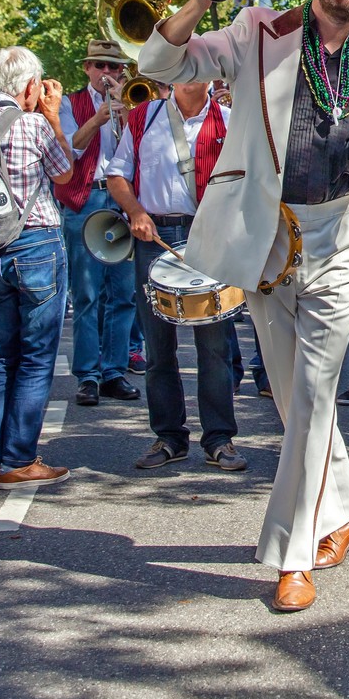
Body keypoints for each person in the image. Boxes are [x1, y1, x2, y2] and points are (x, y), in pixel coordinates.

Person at [139, 0, 349, 614]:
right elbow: (161, 67)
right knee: (292, 399)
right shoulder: (257, 30)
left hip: (344, 232)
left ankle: (293, 552)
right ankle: (345, 506)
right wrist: (195, 2)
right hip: (268, 234)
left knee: (317, 392)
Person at [106, 77, 246, 473]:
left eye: (199, 66)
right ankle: (168, 436)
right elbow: (117, 174)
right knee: (158, 346)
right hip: (154, 235)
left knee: (215, 346)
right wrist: (135, 211)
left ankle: (220, 438)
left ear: (211, 75)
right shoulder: (142, 118)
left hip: (209, 235)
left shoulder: (232, 121)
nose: (190, 74)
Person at [0, 48, 76, 491]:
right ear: (30, 86)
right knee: (35, 356)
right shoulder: (32, 124)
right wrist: (54, 118)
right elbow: (65, 176)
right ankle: (19, 459)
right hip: (36, 242)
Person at [56, 39, 141, 409]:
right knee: (88, 293)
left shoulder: (136, 101)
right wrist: (98, 119)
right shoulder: (67, 103)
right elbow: (68, 147)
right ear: (88, 67)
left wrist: (128, 115)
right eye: (101, 66)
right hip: (86, 198)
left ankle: (114, 371)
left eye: (115, 68)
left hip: (124, 199)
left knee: (123, 293)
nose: (108, 74)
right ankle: (88, 375)